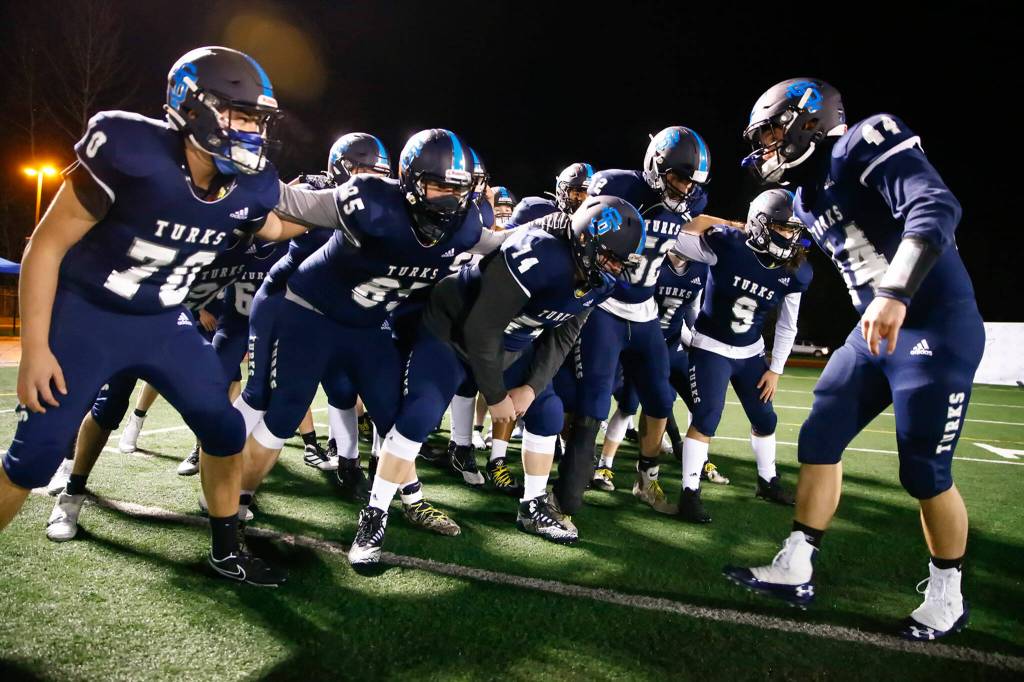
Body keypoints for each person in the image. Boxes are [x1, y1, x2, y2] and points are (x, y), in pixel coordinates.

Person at [4, 46, 309, 586]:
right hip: (89, 315)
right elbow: (45, 247)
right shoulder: (129, 148)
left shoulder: (251, 183)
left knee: (223, 426)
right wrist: (36, 347)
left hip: (164, 320)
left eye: (258, 120)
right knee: (33, 458)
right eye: (241, 115)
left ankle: (224, 548)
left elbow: (274, 227)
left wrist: (329, 213)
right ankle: (68, 490)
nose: (254, 132)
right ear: (192, 108)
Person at [723, 78, 983, 642]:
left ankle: (948, 596)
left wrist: (894, 292)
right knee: (821, 433)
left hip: (933, 324)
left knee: (923, 470)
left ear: (807, 119)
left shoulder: (862, 142)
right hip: (874, 334)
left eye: (770, 130)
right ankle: (796, 564)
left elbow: (936, 205)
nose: (765, 145)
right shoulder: (804, 195)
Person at [348, 195, 646, 567]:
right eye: (610, 257)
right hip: (452, 333)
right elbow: (481, 327)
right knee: (421, 412)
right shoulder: (539, 254)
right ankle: (375, 516)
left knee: (548, 412)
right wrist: (496, 395)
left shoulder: (600, 282)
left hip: (510, 344)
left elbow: (564, 335)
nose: (615, 269)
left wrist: (532, 387)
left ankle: (531, 506)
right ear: (586, 240)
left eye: (621, 261)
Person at [237, 129, 506, 541]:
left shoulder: (465, 228)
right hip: (311, 314)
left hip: (368, 324)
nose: (449, 199)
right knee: (284, 412)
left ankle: (412, 498)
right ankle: (236, 499)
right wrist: (240, 164)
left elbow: (501, 243)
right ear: (410, 179)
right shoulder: (371, 202)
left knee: (394, 413)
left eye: (459, 188)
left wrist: (556, 229)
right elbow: (291, 202)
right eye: (437, 185)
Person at [555, 127, 710, 523]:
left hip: (645, 314)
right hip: (605, 307)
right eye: (679, 177)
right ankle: (566, 498)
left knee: (660, 399)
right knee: (593, 399)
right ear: (656, 166)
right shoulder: (618, 185)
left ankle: (646, 479)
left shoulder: (690, 203)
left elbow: (693, 227)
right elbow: (582, 230)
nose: (685, 189)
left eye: (692, 182)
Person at [673, 189, 812, 522]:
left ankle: (767, 481)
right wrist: (731, 224)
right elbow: (677, 236)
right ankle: (689, 494)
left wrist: (775, 370)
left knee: (766, 420)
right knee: (706, 417)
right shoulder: (728, 245)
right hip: (711, 346)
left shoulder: (796, 270)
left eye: (794, 229)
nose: (790, 236)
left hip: (750, 352)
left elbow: (788, 326)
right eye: (782, 227)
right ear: (760, 223)